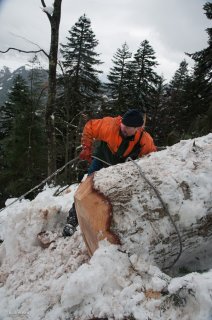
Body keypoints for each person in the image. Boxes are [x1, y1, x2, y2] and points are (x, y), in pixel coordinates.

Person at [63, 109, 157, 237]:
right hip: (102, 159)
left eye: (128, 127)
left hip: (121, 168)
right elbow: (89, 126)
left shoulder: (144, 139)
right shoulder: (110, 125)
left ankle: (107, 223)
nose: (123, 127)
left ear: (137, 129)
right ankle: (73, 220)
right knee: (88, 187)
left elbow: (152, 158)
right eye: (123, 124)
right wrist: (86, 147)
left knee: (114, 194)